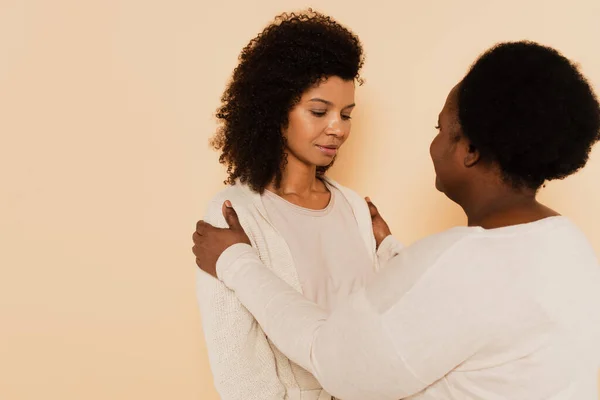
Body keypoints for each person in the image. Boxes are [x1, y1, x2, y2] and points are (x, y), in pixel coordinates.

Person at [193, 41, 600, 400]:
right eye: (319, 110)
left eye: (441, 129)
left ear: (470, 149)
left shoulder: (425, 246)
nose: (336, 127)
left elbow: (340, 359)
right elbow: (241, 367)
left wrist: (237, 262)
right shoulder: (569, 246)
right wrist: (391, 253)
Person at [195, 9, 394, 400]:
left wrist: (389, 252)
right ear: (274, 110)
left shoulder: (355, 209)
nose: (337, 127)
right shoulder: (235, 216)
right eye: (319, 111)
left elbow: (387, 331)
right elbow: (239, 375)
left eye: (346, 114)